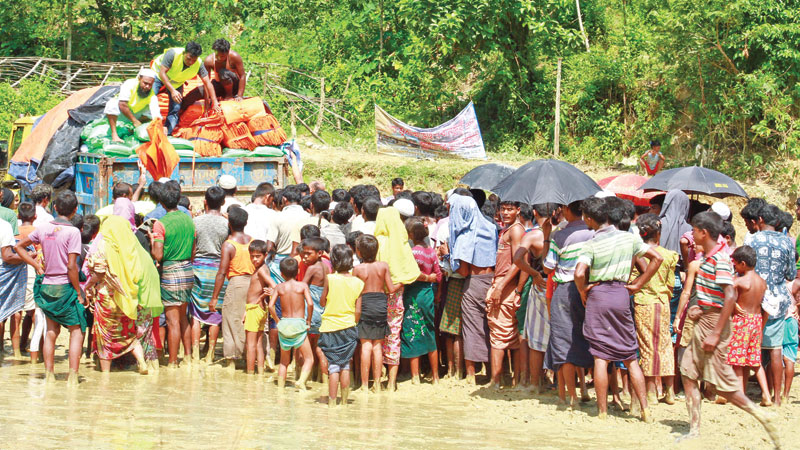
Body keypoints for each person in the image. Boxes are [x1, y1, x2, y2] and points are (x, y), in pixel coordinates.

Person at [678, 211, 779, 447]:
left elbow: (730, 294)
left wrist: (715, 331)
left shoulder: (720, 259)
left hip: (713, 325)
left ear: (704, 233)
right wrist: (699, 310)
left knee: (725, 385)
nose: (692, 235)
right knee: (688, 373)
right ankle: (694, 428)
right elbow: (717, 296)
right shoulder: (709, 258)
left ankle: (761, 415)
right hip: (707, 320)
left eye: (694, 231)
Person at [574, 197, 663, 422]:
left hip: (598, 295)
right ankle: (645, 410)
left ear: (590, 218)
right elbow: (657, 258)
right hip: (622, 294)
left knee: (600, 357)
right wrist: (639, 283)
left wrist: (583, 289)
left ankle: (602, 412)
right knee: (630, 355)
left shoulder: (591, 243)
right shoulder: (628, 238)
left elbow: (578, 272)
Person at [15, 191, 86, 384]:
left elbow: (19, 247)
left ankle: (49, 374)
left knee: (51, 332)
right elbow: (72, 266)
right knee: (77, 331)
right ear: (75, 210)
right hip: (65, 286)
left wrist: (37, 265)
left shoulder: (43, 228)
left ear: (55, 208)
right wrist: (78, 292)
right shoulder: (73, 233)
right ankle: (72, 376)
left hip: (47, 286)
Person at [82, 215, 150, 374]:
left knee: (105, 337)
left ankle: (105, 374)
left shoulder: (104, 245)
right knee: (129, 333)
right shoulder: (131, 245)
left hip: (108, 297)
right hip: (128, 296)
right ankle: (142, 362)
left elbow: (99, 272)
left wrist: (88, 286)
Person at [744, 204, 796, 407]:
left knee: (750, 344)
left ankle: (746, 392)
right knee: (775, 349)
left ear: (760, 220)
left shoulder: (751, 239)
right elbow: (791, 274)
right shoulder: (786, 242)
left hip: (755, 297)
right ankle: (776, 398)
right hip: (779, 299)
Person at [447, 194, 497, 385]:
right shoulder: (490, 227)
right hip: (492, 280)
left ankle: (470, 374)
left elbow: (464, 269)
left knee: (471, 327)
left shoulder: (466, 236)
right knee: (490, 326)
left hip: (474, 281)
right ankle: (493, 371)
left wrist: (447, 257)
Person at [632, 213, 679, 405]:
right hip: (663, 302)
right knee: (665, 344)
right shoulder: (668, 256)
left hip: (644, 301)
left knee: (647, 345)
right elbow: (670, 285)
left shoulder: (638, 254)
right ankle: (669, 391)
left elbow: (633, 279)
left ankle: (651, 391)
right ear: (658, 235)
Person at [375, 207, 421, 391]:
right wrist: (399, 284)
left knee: (376, 339)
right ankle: (392, 382)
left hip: (375, 296)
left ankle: (376, 381)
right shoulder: (401, 242)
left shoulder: (376, 241)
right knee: (394, 336)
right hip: (395, 295)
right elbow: (412, 272)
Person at [150, 181, 196, 367]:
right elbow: (193, 250)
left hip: (170, 271)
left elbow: (158, 255)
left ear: (161, 203)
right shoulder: (189, 219)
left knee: (172, 320)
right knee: (184, 316)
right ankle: (187, 356)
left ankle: (173, 361)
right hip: (187, 270)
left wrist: (153, 241)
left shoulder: (161, 224)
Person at [513, 202, 554, 390]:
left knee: (536, 337)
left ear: (535, 212)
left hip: (540, 286)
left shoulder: (532, 236)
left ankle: (534, 382)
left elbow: (517, 259)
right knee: (558, 334)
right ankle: (556, 381)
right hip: (560, 286)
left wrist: (534, 273)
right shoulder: (562, 231)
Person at [486, 200, 525, 389]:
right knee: (508, 334)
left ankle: (496, 380)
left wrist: (501, 286)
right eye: (503, 209)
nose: (505, 212)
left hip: (506, 285)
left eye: (510, 209)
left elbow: (518, 261)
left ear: (518, 210)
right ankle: (512, 380)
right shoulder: (508, 229)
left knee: (499, 334)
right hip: (504, 284)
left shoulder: (516, 230)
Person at [319, 244, 364, 406]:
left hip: (330, 327)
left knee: (333, 366)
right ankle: (344, 402)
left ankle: (331, 402)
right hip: (349, 326)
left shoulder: (330, 278)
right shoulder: (358, 283)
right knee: (345, 365)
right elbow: (358, 311)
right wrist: (353, 323)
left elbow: (322, 301)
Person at [210, 206, 253, 370]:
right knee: (247, 320)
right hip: (252, 283)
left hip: (236, 284)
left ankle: (231, 360)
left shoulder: (228, 245)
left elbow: (221, 273)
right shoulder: (252, 241)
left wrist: (214, 297)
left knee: (230, 321)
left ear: (229, 224)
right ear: (246, 222)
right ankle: (248, 356)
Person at [353, 234, 397, 392]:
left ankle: (365, 385)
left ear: (358, 252)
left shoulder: (357, 269)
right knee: (378, 346)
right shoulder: (383, 266)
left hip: (364, 304)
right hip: (380, 305)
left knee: (366, 346)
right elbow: (391, 290)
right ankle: (377, 384)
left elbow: (354, 292)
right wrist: (402, 283)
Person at [190, 186, 229, 362]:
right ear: (223, 203)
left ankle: (195, 352)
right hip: (219, 270)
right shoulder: (227, 223)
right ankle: (211, 352)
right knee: (215, 314)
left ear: (205, 201)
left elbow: (192, 247)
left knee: (196, 315)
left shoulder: (196, 222)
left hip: (198, 267)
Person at [402, 218, 442, 384]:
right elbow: (438, 275)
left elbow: (411, 273)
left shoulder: (413, 252)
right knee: (429, 332)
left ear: (411, 235)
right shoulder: (431, 252)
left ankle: (415, 376)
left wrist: (424, 278)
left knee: (413, 331)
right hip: (428, 296)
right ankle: (435, 376)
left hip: (414, 294)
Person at [151, 41, 220, 134]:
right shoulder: (172, 54)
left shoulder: (199, 64)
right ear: (184, 53)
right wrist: (172, 91)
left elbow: (208, 83)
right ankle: (147, 125)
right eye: (188, 59)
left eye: (194, 60)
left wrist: (215, 101)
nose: (191, 62)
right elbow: (162, 73)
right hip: (159, 76)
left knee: (175, 108)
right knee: (149, 98)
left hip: (177, 82)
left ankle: (167, 131)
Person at [726, 246, 768, 392]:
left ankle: (740, 394)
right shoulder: (762, 282)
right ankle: (766, 395)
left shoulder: (739, 281)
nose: (734, 266)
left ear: (742, 264)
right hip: (757, 320)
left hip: (742, 321)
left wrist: (734, 305)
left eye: (735, 263)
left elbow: (727, 296)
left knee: (737, 361)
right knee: (755, 362)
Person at [269, 257, 314, 389]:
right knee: (309, 359)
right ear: (298, 270)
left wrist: (278, 321)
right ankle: (300, 382)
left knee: (284, 361)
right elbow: (310, 304)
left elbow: (271, 306)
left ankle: (280, 389)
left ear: (281, 273)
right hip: (299, 324)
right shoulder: (302, 286)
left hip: (285, 324)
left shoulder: (279, 287)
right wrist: (309, 320)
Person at [104, 68, 161, 142]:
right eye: (145, 83)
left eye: (150, 85)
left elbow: (156, 113)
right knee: (112, 104)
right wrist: (134, 121)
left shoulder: (152, 94)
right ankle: (114, 134)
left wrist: (160, 126)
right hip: (122, 114)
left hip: (137, 116)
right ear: (139, 79)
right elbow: (122, 104)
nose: (147, 87)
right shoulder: (129, 83)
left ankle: (132, 130)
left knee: (151, 116)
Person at [0, 216, 29, 359]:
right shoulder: (4, 226)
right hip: (4, 275)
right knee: (11, 312)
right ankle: (16, 353)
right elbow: (7, 256)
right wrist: (27, 257)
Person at [300, 237, 329, 378]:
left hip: (310, 311)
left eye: (308, 253)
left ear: (319, 253)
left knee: (303, 345)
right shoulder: (326, 267)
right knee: (319, 347)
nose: (304, 257)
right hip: (322, 310)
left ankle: (303, 376)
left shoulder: (311, 269)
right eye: (303, 253)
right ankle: (322, 378)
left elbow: (303, 287)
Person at [242, 240, 270, 375]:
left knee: (251, 345)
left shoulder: (261, 271)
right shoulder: (263, 269)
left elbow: (273, 286)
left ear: (265, 255)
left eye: (258, 256)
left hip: (254, 309)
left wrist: (259, 299)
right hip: (258, 309)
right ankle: (259, 373)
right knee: (258, 343)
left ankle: (250, 373)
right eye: (252, 256)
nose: (254, 259)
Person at [243, 182, 277, 251]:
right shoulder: (273, 214)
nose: (271, 203)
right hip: (262, 254)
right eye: (272, 200)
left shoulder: (243, 210)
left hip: (245, 251)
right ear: (267, 197)